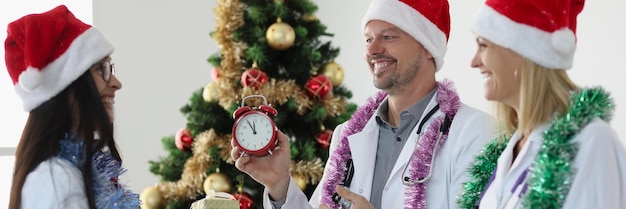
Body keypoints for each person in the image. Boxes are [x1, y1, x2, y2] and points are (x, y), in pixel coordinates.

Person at [230, 0, 495, 208]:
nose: (373, 49)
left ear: (428, 47)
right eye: (368, 39)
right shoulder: (347, 135)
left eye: (389, 37)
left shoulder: (474, 132)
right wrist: (279, 185)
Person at [456, 0, 626, 208]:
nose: (474, 62)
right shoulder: (509, 148)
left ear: (522, 50)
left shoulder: (592, 142)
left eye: (483, 45)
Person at [6, 5, 140, 209]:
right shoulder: (55, 181)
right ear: (65, 84)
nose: (116, 83)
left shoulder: (82, 171)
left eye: (110, 68)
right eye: (100, 69)